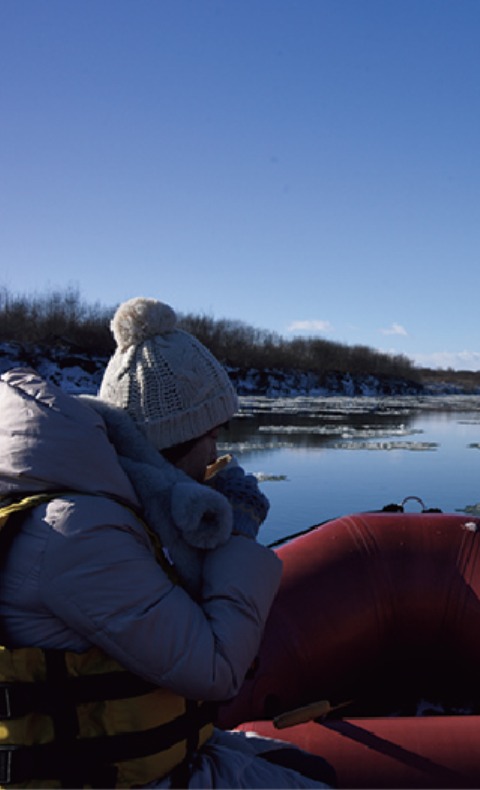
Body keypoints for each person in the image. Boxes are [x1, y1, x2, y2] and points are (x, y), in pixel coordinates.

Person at [0, 297, 334, 787]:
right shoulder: (76, 533)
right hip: (94, 778)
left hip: (139, 759)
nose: (218, 452)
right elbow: (216, 668)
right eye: (213, 435)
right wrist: (236, 535)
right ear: (179, 437)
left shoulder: (116, 507)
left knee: (305, 765)